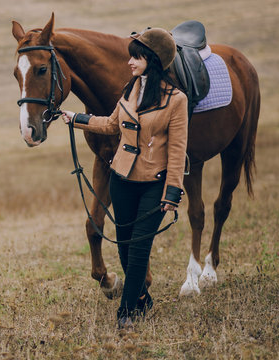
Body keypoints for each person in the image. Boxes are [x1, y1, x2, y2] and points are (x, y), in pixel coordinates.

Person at [61, 28, 188, 329]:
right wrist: (76, 119)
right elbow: (111, 124)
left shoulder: (176, 100)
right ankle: (143, 299)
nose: (130, 61)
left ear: (153, 60)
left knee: (139, 248)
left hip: (154, 183)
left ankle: (126, 313)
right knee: (124, 245)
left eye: (137, 56)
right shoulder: (130, 89)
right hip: (122, 178)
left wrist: (172, 191)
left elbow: (178, 148)